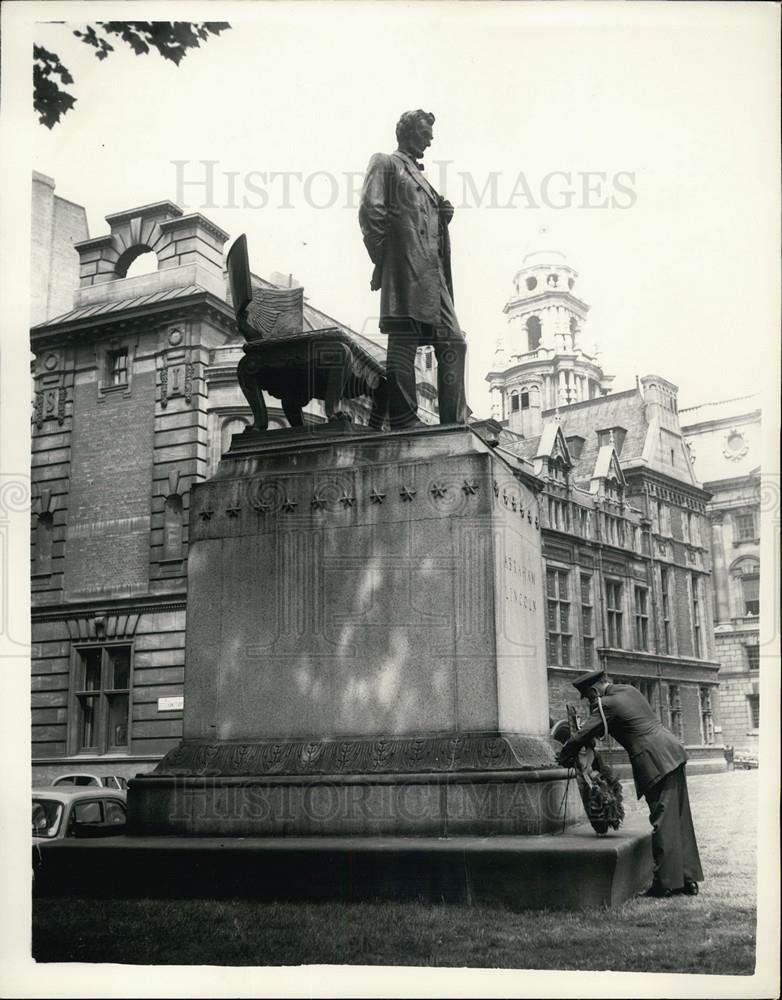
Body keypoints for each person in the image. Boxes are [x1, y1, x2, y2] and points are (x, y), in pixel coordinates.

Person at [359, 109, 468, 429]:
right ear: (407, 132)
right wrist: (385, 261)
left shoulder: (423, 179)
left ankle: (454, 423)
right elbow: (371, 213)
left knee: (454, 342)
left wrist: (441, 214)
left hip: (432, 276)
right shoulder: (386, 163)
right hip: (405, 267)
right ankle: (404, 418)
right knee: (404, 337)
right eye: (424, 134)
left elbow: (419, 220)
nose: (430, 140)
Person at [557, 668, 704, 898]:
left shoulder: (606, 704)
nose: (589, 703)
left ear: (595, 690)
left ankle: (664, 884)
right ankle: (687, 879)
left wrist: (565, 752)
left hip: (654, 758)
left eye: (588, 697)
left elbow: (583, 733)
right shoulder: (630, 690)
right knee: (679, 817)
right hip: (672, 751)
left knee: (662, 819)